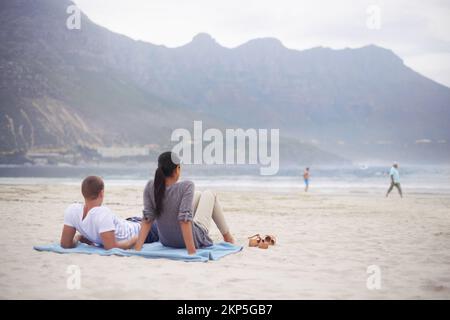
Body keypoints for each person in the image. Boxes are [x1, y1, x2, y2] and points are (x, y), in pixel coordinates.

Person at [134, 152, 235, 255]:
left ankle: (227, 237)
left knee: (199, 195)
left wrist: (138, 248)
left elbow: (147, 219)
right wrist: (191, 251)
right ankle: (228, 238)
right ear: (177, 169)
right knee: (209, 194)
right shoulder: (186, 186)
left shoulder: (150, 187)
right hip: (192, 239)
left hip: (166, 241)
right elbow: (184, 220)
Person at [60, 176, 159, 249]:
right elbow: (112, 248)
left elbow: (66, 244)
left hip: (130, 223)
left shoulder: (72, 210)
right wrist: (135, 239)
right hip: (145, 231)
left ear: (83, 192)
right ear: (101, 193)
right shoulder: (102, 213)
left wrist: (78, 237)